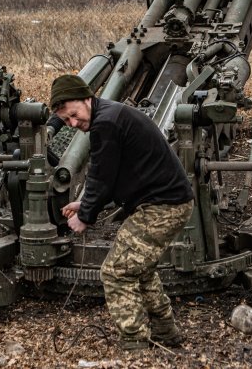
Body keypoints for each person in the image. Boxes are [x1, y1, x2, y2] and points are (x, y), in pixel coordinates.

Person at [51, 74, 194, 352]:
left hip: (162, 206)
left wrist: (85, 216)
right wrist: (87, 204)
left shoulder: (105, 123)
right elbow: (112, 176)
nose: (73, 123)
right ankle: (165, 331)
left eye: (73, 115)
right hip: (169, 202)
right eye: (67, 121)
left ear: (86, 98)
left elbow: (101, 176)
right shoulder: (110, 116)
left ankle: (134, 342)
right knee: (140, 269)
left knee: (116, 272)